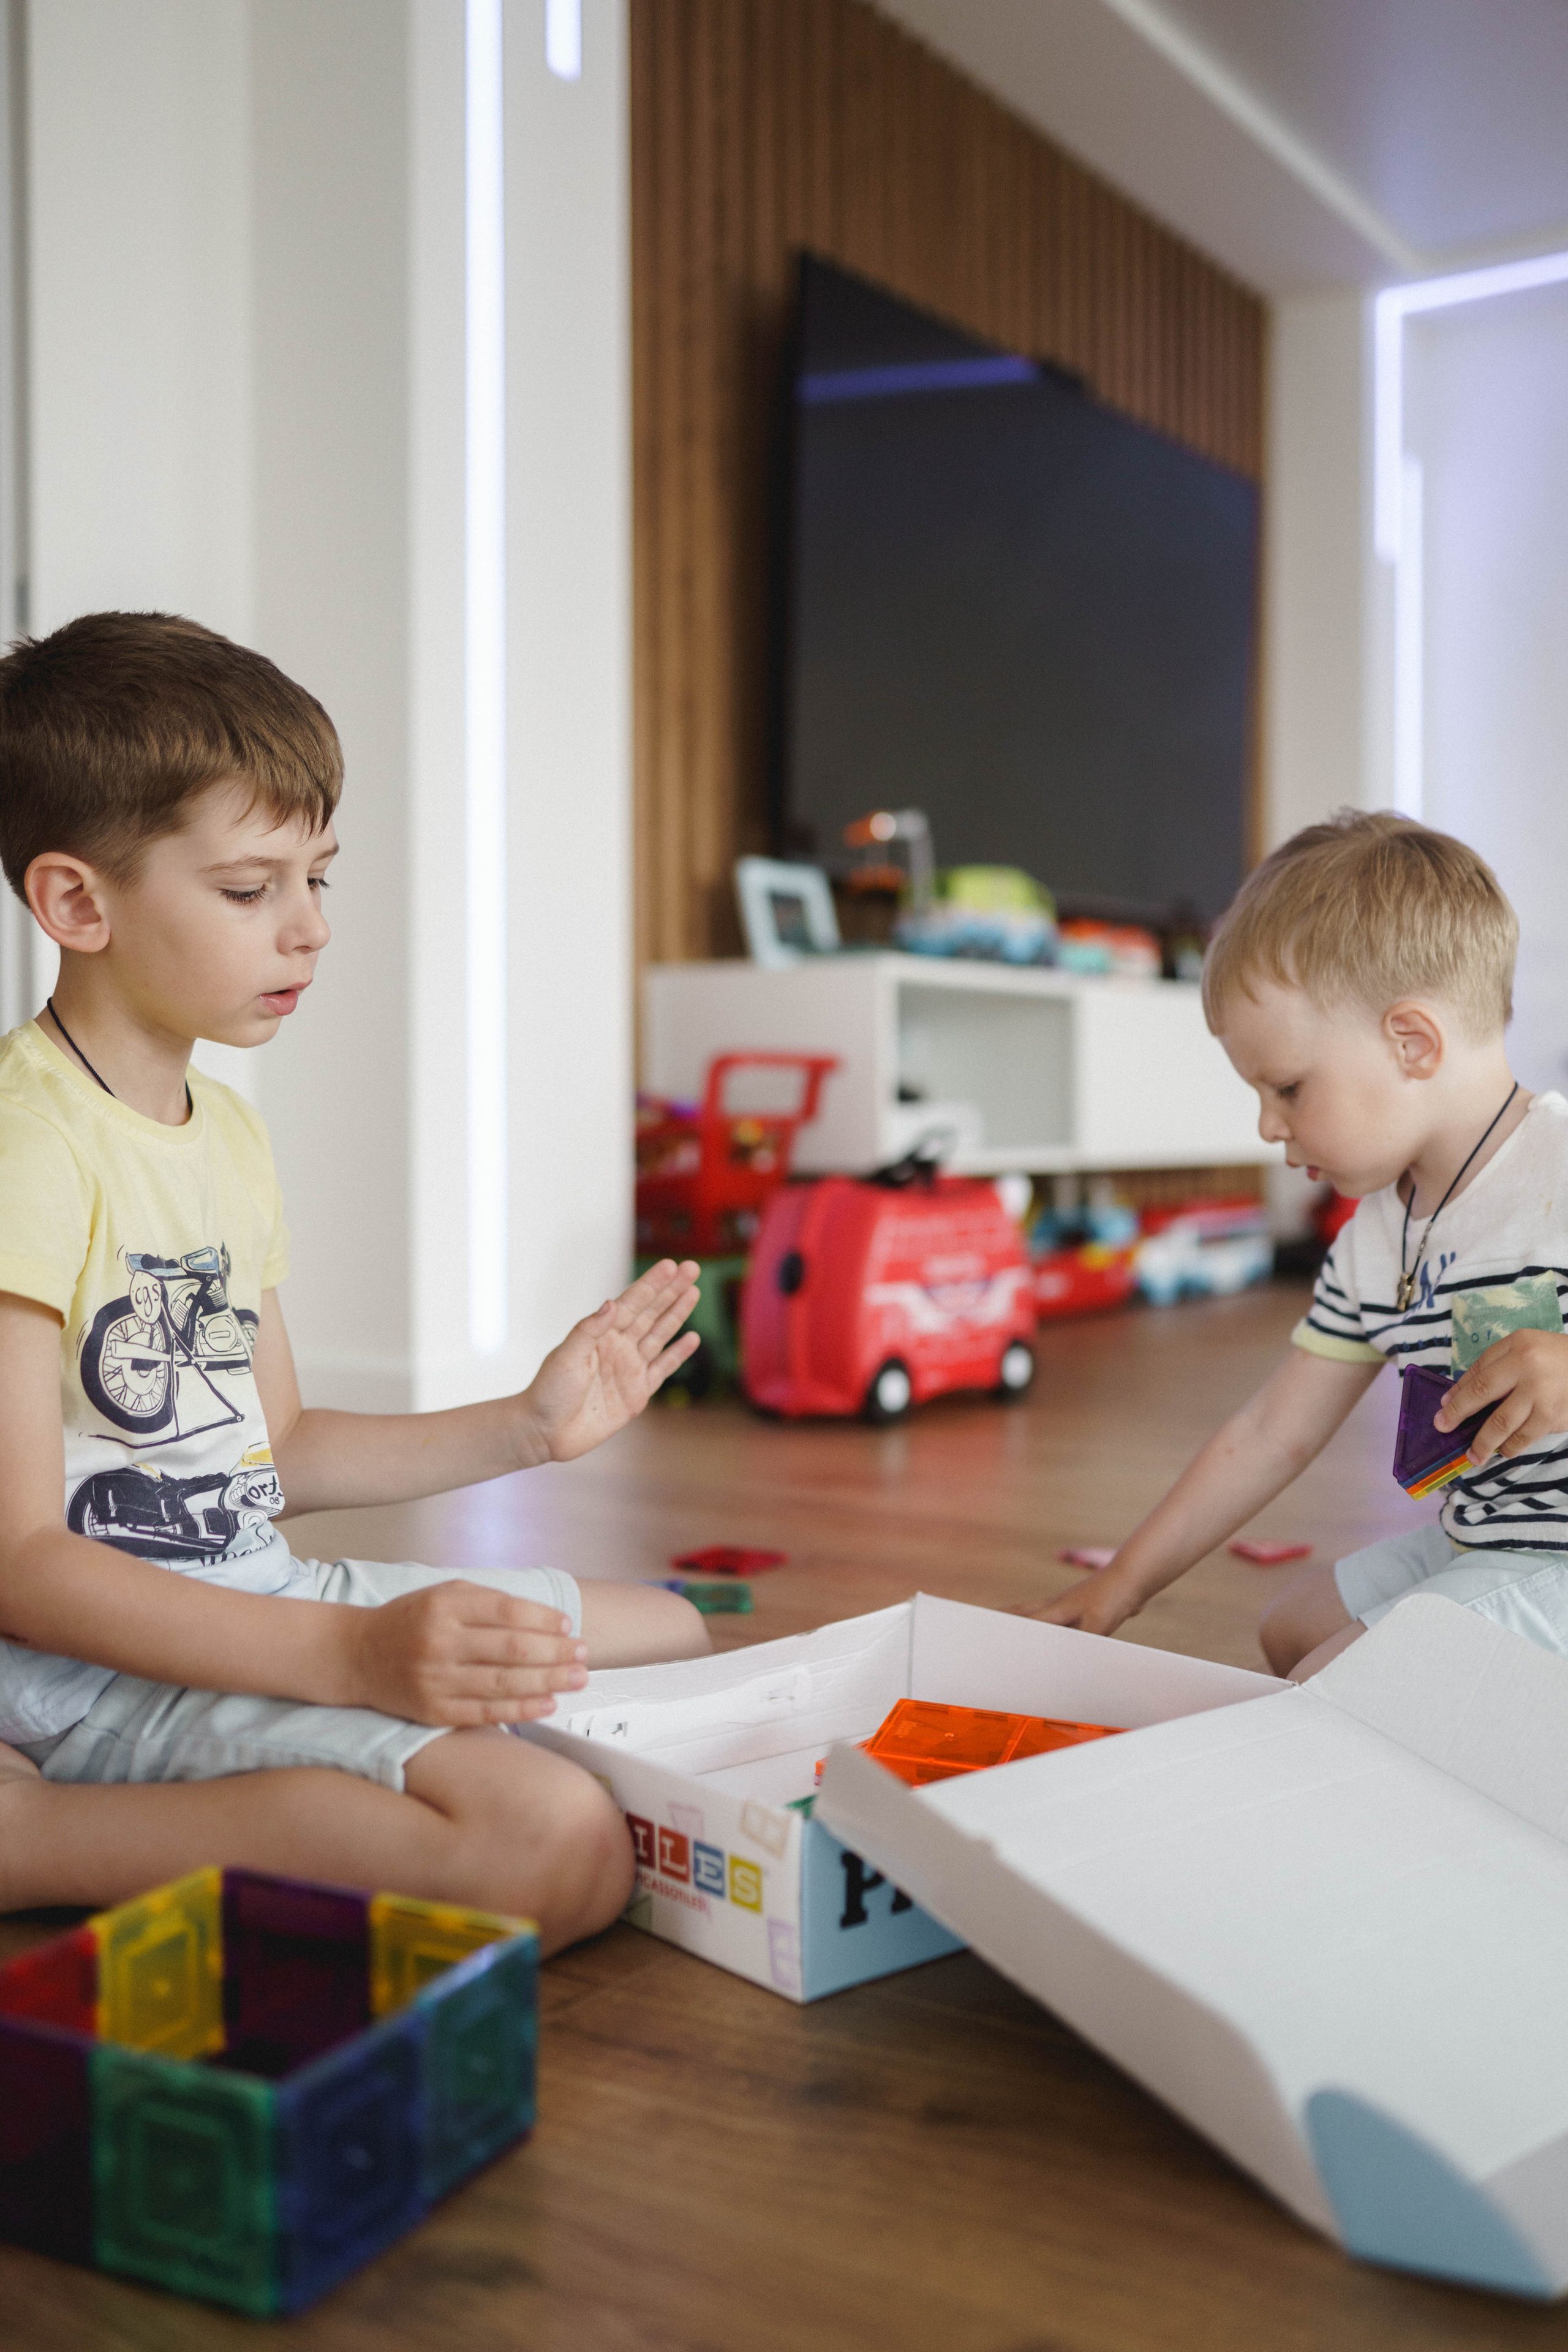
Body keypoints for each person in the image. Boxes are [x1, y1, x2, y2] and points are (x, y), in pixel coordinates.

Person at [0, 611, 709, 1953]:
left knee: (673, 1636)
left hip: (253, 1596)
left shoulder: (229, 1133)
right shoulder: (23, 1147)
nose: (310, 929)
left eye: (320, 878)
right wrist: (350, 1663)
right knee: (551, 1846)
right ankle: (34, 1836)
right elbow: (22, 1565)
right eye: (251, 887)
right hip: (95, 1670)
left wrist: (528, 1429)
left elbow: (280, 1447)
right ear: (77, 903)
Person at [1038, 809, 1568, 1679]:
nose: (1266, 1126)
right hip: (1492, 1542)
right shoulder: (1376, 1238)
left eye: (1287, 1088)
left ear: (1412, 1042)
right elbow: (1270, 1434)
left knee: (1330, 1687)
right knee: (1291, 1634)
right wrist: (1120, 1589)